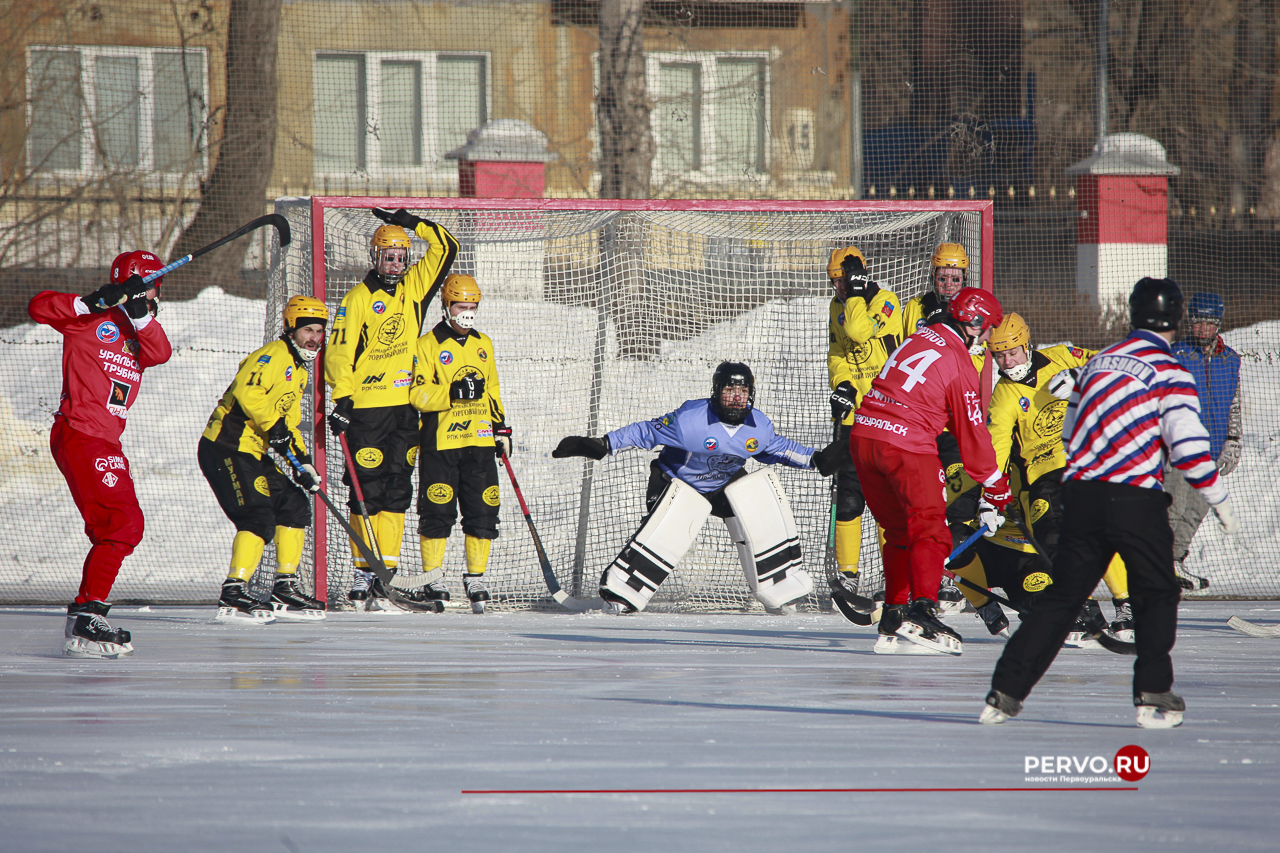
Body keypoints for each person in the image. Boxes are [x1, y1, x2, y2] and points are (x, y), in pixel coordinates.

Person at [984, 278, 1240, 729]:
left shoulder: (1099, 361)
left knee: (1063, 596)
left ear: (1132, 314)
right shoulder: (1170, 368)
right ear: (1176, 318)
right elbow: (1189, 444)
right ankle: (1153, 693)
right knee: (1158, 592)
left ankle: (1005, 691)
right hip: (1133, 493)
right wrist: (1217, 498)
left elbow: (1068, 431)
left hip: (1081, 490)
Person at [553, 362, 827, 615]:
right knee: (670, 528)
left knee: (754, 502)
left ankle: (780, 588)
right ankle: (622, 593)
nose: (736, 397)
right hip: (676, 482)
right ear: (717, 391)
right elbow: (646, 432)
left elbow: (779, 449)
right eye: (730, 389)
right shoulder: (690, 420)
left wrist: (817, 459)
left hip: (721, 484)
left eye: (743, 390)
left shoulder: (759, 426)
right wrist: (604, 444)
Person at [847, 287, 1012, 655]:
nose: (986, 339)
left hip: (864, 438)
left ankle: (893, 613)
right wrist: (997, 487)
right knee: (932, 530)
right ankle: (922, 609)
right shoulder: (960, 364)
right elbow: (973, 434)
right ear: (972, 324)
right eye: (986, 330)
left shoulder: (920, 335)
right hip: (904, 445)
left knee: (900, 532)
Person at [28, 251, 172, 658]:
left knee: (115, 527)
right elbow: (39, 307)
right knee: (124, 522)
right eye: (149, 287)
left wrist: (140, 312)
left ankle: (87, 612)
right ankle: (88, 614)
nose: (155, 295)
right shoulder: (92, 320)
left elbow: (160, 353)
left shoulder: (141, 332)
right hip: (81, 434)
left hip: (105, 441)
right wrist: (92, 301)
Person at [325, 208, 459, 609]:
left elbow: (446, 245)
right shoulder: (357, 298)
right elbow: (339, 353)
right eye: (388, 256)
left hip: (404, 410)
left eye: (402, 257)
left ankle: (388, 570)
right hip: (366, 410)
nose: (396, 264)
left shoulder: (415, 287)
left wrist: (409, 220)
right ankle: (364, 573)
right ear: (374, 256)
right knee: (367, 492)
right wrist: (342, 399)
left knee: (398, 491)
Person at [983, 313, 1134, 644]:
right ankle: (1076, 605)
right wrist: (990, 494)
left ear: (1027, 343)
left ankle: (1126, 604)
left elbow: (1114, 366)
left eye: (1013, 352)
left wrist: (1080, 376)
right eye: (1000, 355)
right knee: (1052, 536)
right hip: (1042, 476)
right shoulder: (1003, 395)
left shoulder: (1062, 356)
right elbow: (996, 448)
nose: (1008, 362)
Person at [199, 295, 330, 624]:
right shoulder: (271, 356)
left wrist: (303, 463)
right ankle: (233, 592)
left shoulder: (299, 371)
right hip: (226, 448)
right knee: (257, 518)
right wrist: (275, 427)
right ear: (291, 328)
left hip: (252, 452)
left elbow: (288, 423)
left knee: (294, 503)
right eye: (308, 330)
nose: (315, 337)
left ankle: (284, 588)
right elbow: (249, 394)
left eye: (319, 331)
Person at [405, 274, 509, 614]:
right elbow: (417, 393)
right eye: (462, 306)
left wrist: (501, 428)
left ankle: (475, 577)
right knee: (437, 511)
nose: (468, 313)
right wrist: (449, 392)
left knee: (482, 510)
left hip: (478, 440)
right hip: (442, 441)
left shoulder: (485, 344)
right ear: (446, 306)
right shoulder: (426, 345)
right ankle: (433, 578)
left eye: (473, 307)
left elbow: (491, 388)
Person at [901, 241, 989, 612]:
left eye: (956, 277)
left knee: (956, 503)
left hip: (954, 425)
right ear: (933, 275)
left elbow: (977, 367)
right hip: (920, 422)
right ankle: (923, 580)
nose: (949, 283)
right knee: (922, 504)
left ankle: (954, 576)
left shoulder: (974, 312)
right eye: (942, 276)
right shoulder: (914, 308)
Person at [823, 247, 902, 600]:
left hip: (886, 415)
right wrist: (841, 384)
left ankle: (897, 577)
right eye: (834, 282)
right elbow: (838, 351)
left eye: (842, 281)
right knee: (850, 496)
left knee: (888, 502)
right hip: (854, 415)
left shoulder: (885, 301)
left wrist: (856, 292)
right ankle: (848, 575)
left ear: (856, 277)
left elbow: (857, 332)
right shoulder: (836, 306)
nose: (838, 288)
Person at [1167, 291, 1242, 592]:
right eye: (1198, 323)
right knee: (1173, 507)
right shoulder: (1175, 355)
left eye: (1210, 324)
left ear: (1219, 325)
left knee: (1196, 509)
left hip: (1211, 450)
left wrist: (1233, 440)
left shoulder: (1231, 359)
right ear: (1190, 321)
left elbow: (1234, 404)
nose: (1203, 329)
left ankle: (1173, 562)